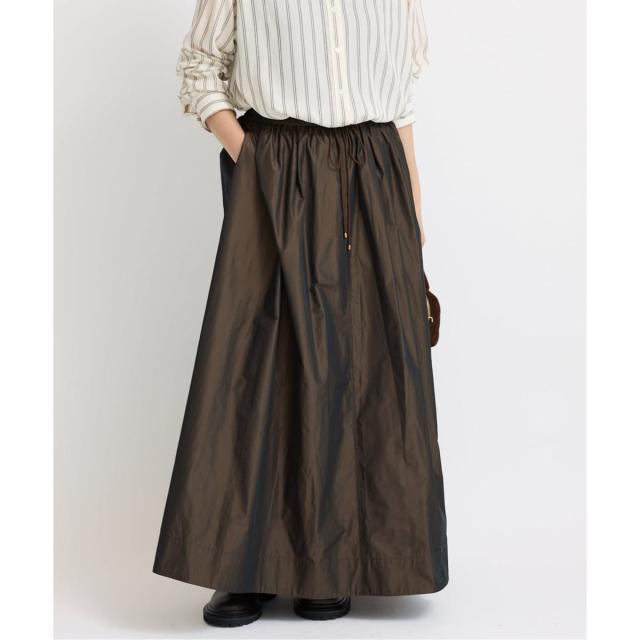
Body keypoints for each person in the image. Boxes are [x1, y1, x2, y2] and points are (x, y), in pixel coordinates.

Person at [153, 0, 448, 627]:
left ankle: (328, 561)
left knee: (360, 363)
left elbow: (400, 98)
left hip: (374, 170)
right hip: (278, 160)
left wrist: (413, 204)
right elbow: (199, 69)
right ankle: (244, 567)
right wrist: (255, 159)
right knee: (258, 362)